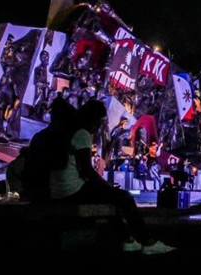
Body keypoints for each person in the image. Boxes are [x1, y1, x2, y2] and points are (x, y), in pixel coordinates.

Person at [51, 100, 175, 254]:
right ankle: (148, 241)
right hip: (72, 190)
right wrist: (105, 185)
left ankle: (127, 239)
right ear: (92, 118)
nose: (98, 126)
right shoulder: (82, 134)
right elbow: (87, 171)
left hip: (61, 189)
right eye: (99, 121)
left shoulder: (68, 132)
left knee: (112, 197)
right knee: (124, 197)